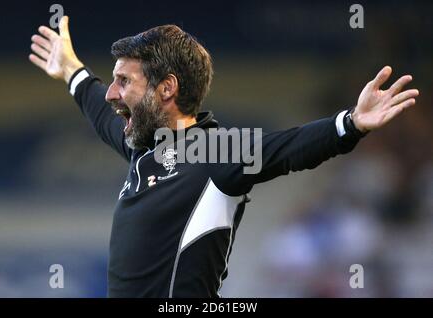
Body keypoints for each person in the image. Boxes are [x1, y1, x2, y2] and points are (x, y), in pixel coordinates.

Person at [29, 16, 419, 298]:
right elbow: (100, 111)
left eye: (124, 81)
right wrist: (71, 70)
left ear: (166, 89)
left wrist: (350, 123)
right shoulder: (145, 148)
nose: (113, 92)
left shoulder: (215, 152)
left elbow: (288, 148)